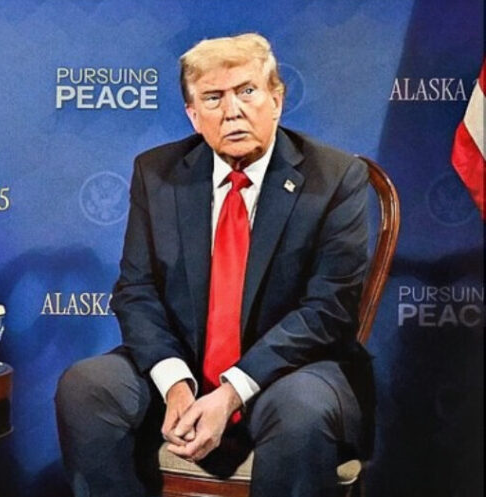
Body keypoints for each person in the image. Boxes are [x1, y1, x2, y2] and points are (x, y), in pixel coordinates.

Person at [55, 33, 373, 497]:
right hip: (186, 365)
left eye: (247, 91)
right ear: (193, 114)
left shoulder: (335, 177)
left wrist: (230, 392)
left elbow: (328, 310)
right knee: (88, 387)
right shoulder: (157, 173)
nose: (233, 111)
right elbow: (137, 291)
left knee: (301, 409)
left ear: (277, 99)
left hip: (290, 372)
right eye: (213, 98)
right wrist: (176, 385)